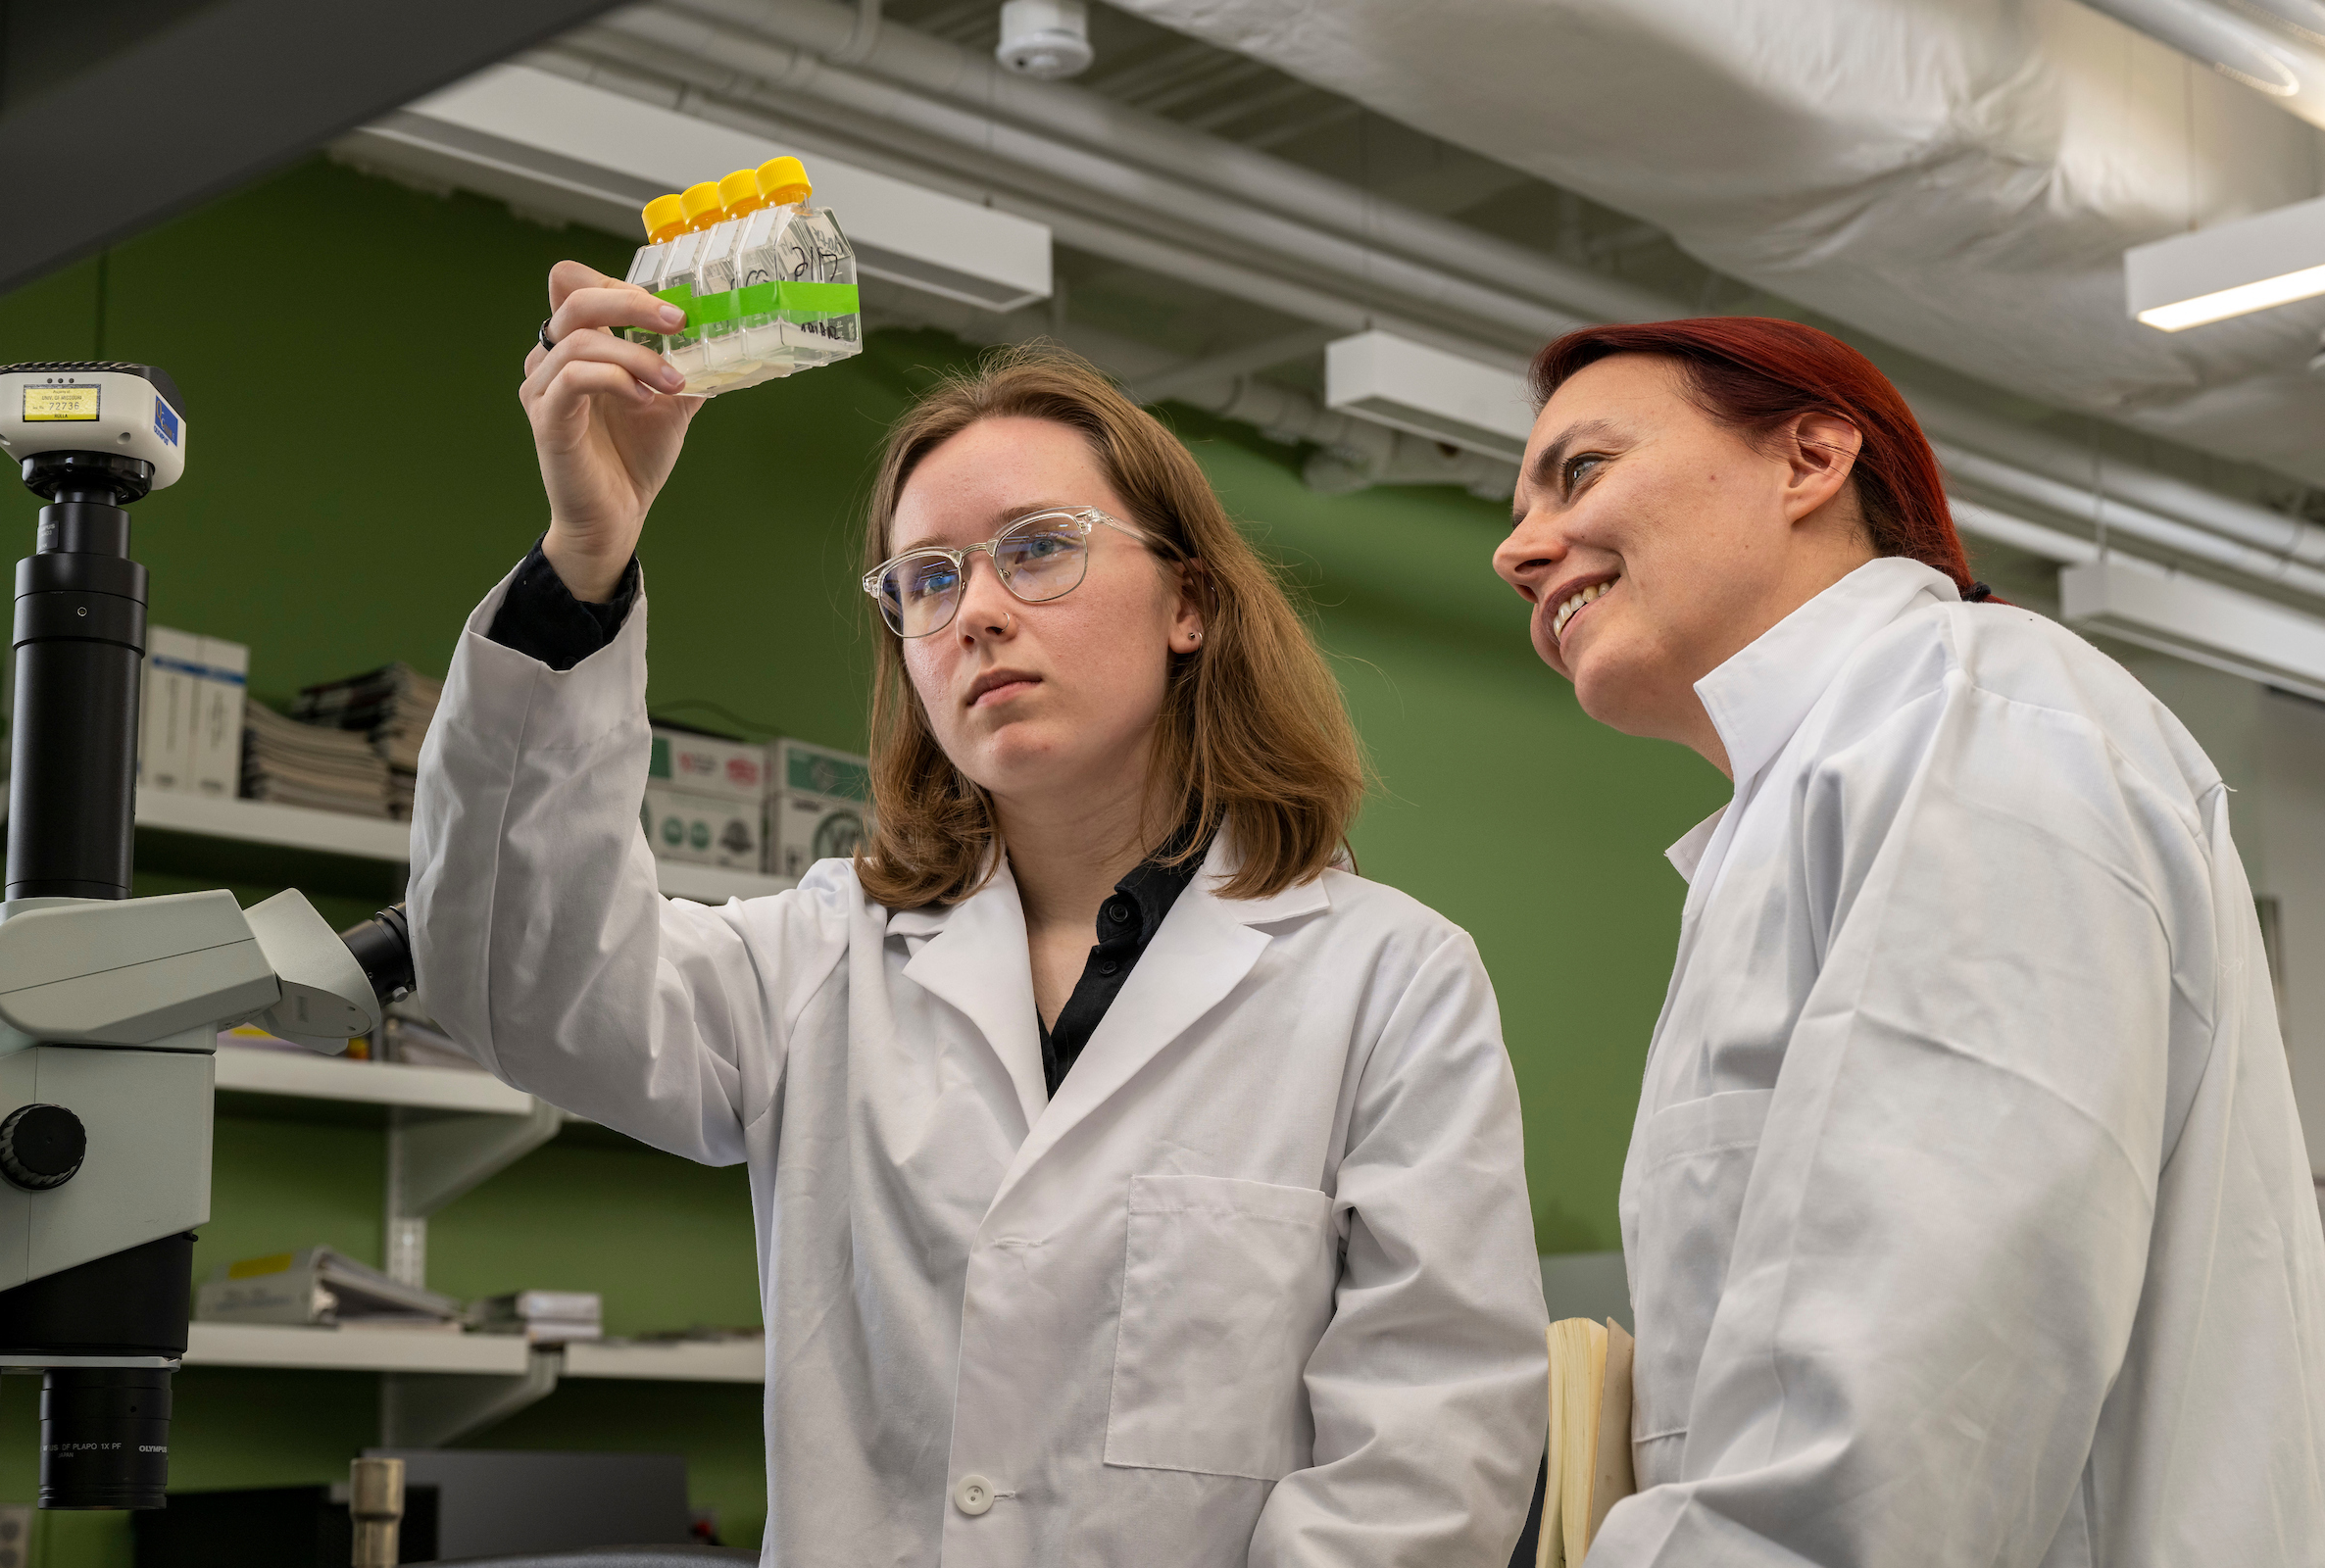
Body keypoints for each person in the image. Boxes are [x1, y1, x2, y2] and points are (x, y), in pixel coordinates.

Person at [408, 262, 1550, 1566]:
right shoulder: (821, 960)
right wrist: (587, 554)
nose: (979, 613)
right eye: (927, 580)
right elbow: (519, 990)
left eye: (1039, 549)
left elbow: (1429, 1451)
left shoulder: (1386, 980)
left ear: (1190, 602)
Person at [1491, 316, 2325, 1566]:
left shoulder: (1960, 718)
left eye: (1582, 468)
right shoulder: (1835, 780)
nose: (1515, 548)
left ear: (1812, 458)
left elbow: (1913, 1405)